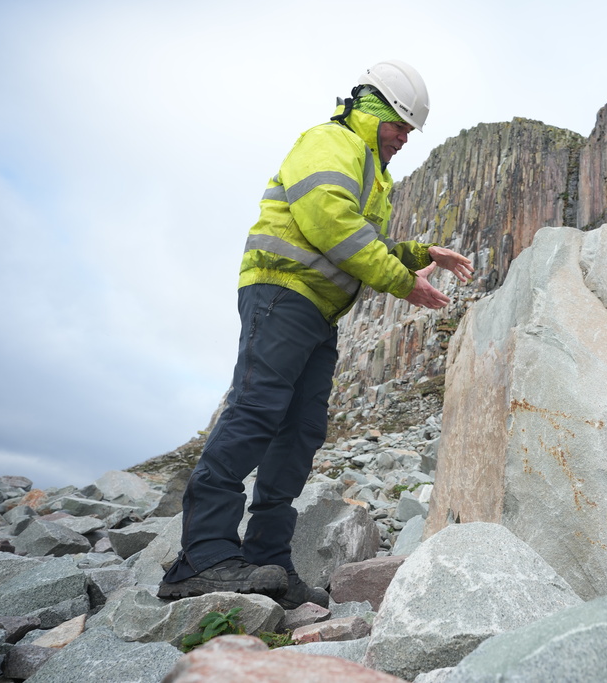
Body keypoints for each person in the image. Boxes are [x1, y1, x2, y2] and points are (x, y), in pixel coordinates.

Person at [157, 60, 474, 608]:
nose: (405, 139)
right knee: (256, 410)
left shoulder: (370, 169)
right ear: (376, 112)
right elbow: (329, 219)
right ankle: (202, 556)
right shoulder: (332, 142)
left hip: (317, 310)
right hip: (282, 292)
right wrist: (403, 282)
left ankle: (266, 560)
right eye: (401, 126)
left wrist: (421, 254)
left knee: (300, 430)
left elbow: (357, 240)